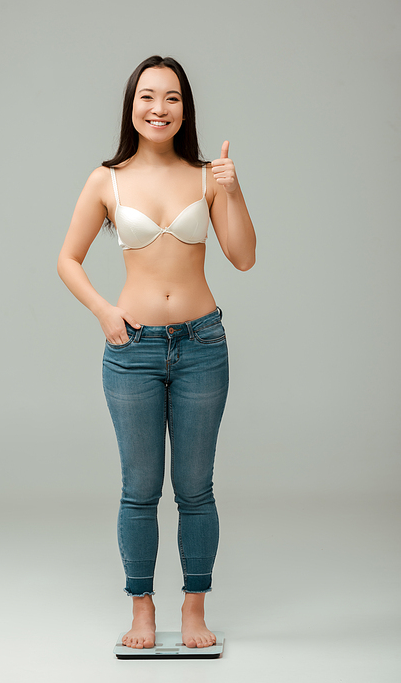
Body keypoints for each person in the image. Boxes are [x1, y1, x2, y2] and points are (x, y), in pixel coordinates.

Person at [57, 55, 256, 650]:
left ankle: (194, 608)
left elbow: (243, 257)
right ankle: (141, 609)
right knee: (139, 487)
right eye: (148, 97)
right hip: (132, 349)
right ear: (132, 105)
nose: (158, 108)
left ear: (185, 109)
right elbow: (67, 259)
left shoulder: (204, 176)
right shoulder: (107, 179)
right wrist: (103, 310)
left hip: (202, 343)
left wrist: (233, 188)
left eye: (171, 98)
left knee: (196, 487)